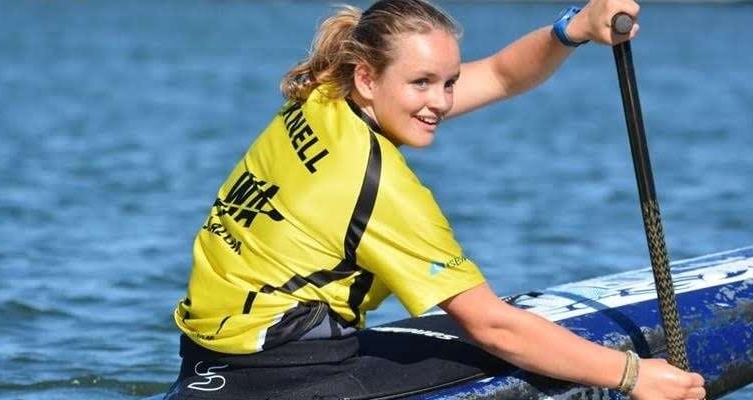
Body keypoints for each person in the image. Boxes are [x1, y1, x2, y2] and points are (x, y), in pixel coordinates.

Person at [166, 0, 707, 399]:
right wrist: (634, 375)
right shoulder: (378, 187)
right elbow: (491, 325)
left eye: (447, 82)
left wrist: (572, 29)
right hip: (294, 377)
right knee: (532, 356)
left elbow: (497, 74)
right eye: (421, 83)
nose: (440, 102)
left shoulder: (324, 97)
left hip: (208, 362)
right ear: (369, 78)